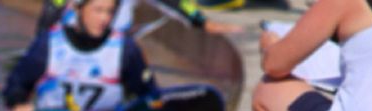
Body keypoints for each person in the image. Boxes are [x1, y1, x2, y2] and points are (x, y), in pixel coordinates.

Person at [6, 0, 187, 111]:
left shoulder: (125, 49)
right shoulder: (49, 43)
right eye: (98, 11)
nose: (104, 19)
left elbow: (151, 97)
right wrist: (18, 103)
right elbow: (17, 83)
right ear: (78, 9)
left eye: (110, 12)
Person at [35, 0, 232, 37]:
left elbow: (176, 2)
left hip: (116, 46)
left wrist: (201, 21)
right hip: (72, 43)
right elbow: (51, 11)